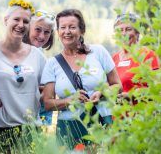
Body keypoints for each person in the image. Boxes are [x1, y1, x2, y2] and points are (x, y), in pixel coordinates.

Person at [41, 9, 121, 149]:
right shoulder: (52, 64)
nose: (67, 31)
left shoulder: (99, 52)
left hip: (102, 120)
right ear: (58, 31)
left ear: (82, 30)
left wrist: (102, 93)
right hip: (69, 127)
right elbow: (47, 103)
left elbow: (117, 85)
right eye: (63, 27)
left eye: (72, 27)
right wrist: (71, 100)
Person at [0, 0, 46, 153]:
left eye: (26, 21)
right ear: (6, 20)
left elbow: (46, 89)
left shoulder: (37, 55)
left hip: (30, 131)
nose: (21, 25)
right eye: (16, 19)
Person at [112, 13, 159, 101]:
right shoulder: (114, 58)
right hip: (118, 113)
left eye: (128, 29)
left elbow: (157, 89)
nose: (124, 34)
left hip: (141, 112)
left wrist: (132, 95)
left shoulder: (148, 55)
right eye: (120, 30)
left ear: (137, 33)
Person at [23, 9, 55, 126]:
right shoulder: (17, 51)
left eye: (47, 32)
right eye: (37, 29)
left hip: (39, 116)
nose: (42, 36)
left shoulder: (41, 54)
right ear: (28, 28)